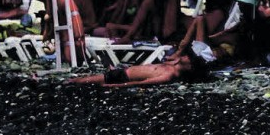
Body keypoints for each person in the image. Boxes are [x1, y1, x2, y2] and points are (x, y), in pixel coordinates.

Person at [67, 47, 214, 87]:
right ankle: (70, 82)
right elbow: (179, 51)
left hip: (122, 77)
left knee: (84, 81)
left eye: (189, 58)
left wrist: (116, 86)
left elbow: (142, 83)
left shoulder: (169, 75)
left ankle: (69, 83)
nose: (185, 56)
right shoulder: (173, 64)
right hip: (122, 71)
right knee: (87, 80)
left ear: (190, 67)